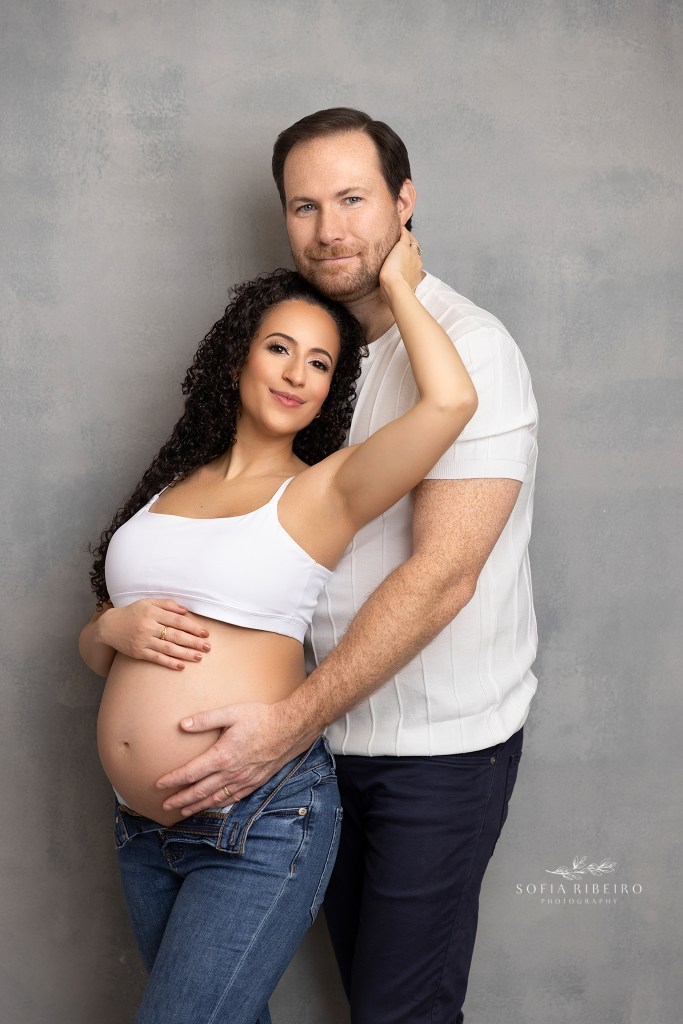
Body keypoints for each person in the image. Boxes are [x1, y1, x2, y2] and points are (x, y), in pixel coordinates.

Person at [148, 108, 540, 1024]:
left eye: (355, 199)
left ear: (404, 204)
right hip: (317, 753)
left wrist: (285, 725)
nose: (330, 230)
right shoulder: (309, 354)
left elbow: (441, 577)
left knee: (398, 1013)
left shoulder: (469, 347)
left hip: (431, 754)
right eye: (304, 206)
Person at [79, 247, 477, 1023]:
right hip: (142, 834)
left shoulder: (324, 488)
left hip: (257, 819)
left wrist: (396, 285)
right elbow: (96, 648)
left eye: (321, 362)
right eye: (279, 348)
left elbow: (450, 404)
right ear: (238, 358)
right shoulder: (168, 486)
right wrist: (111, 627)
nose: (297, 373)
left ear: (332, 388)